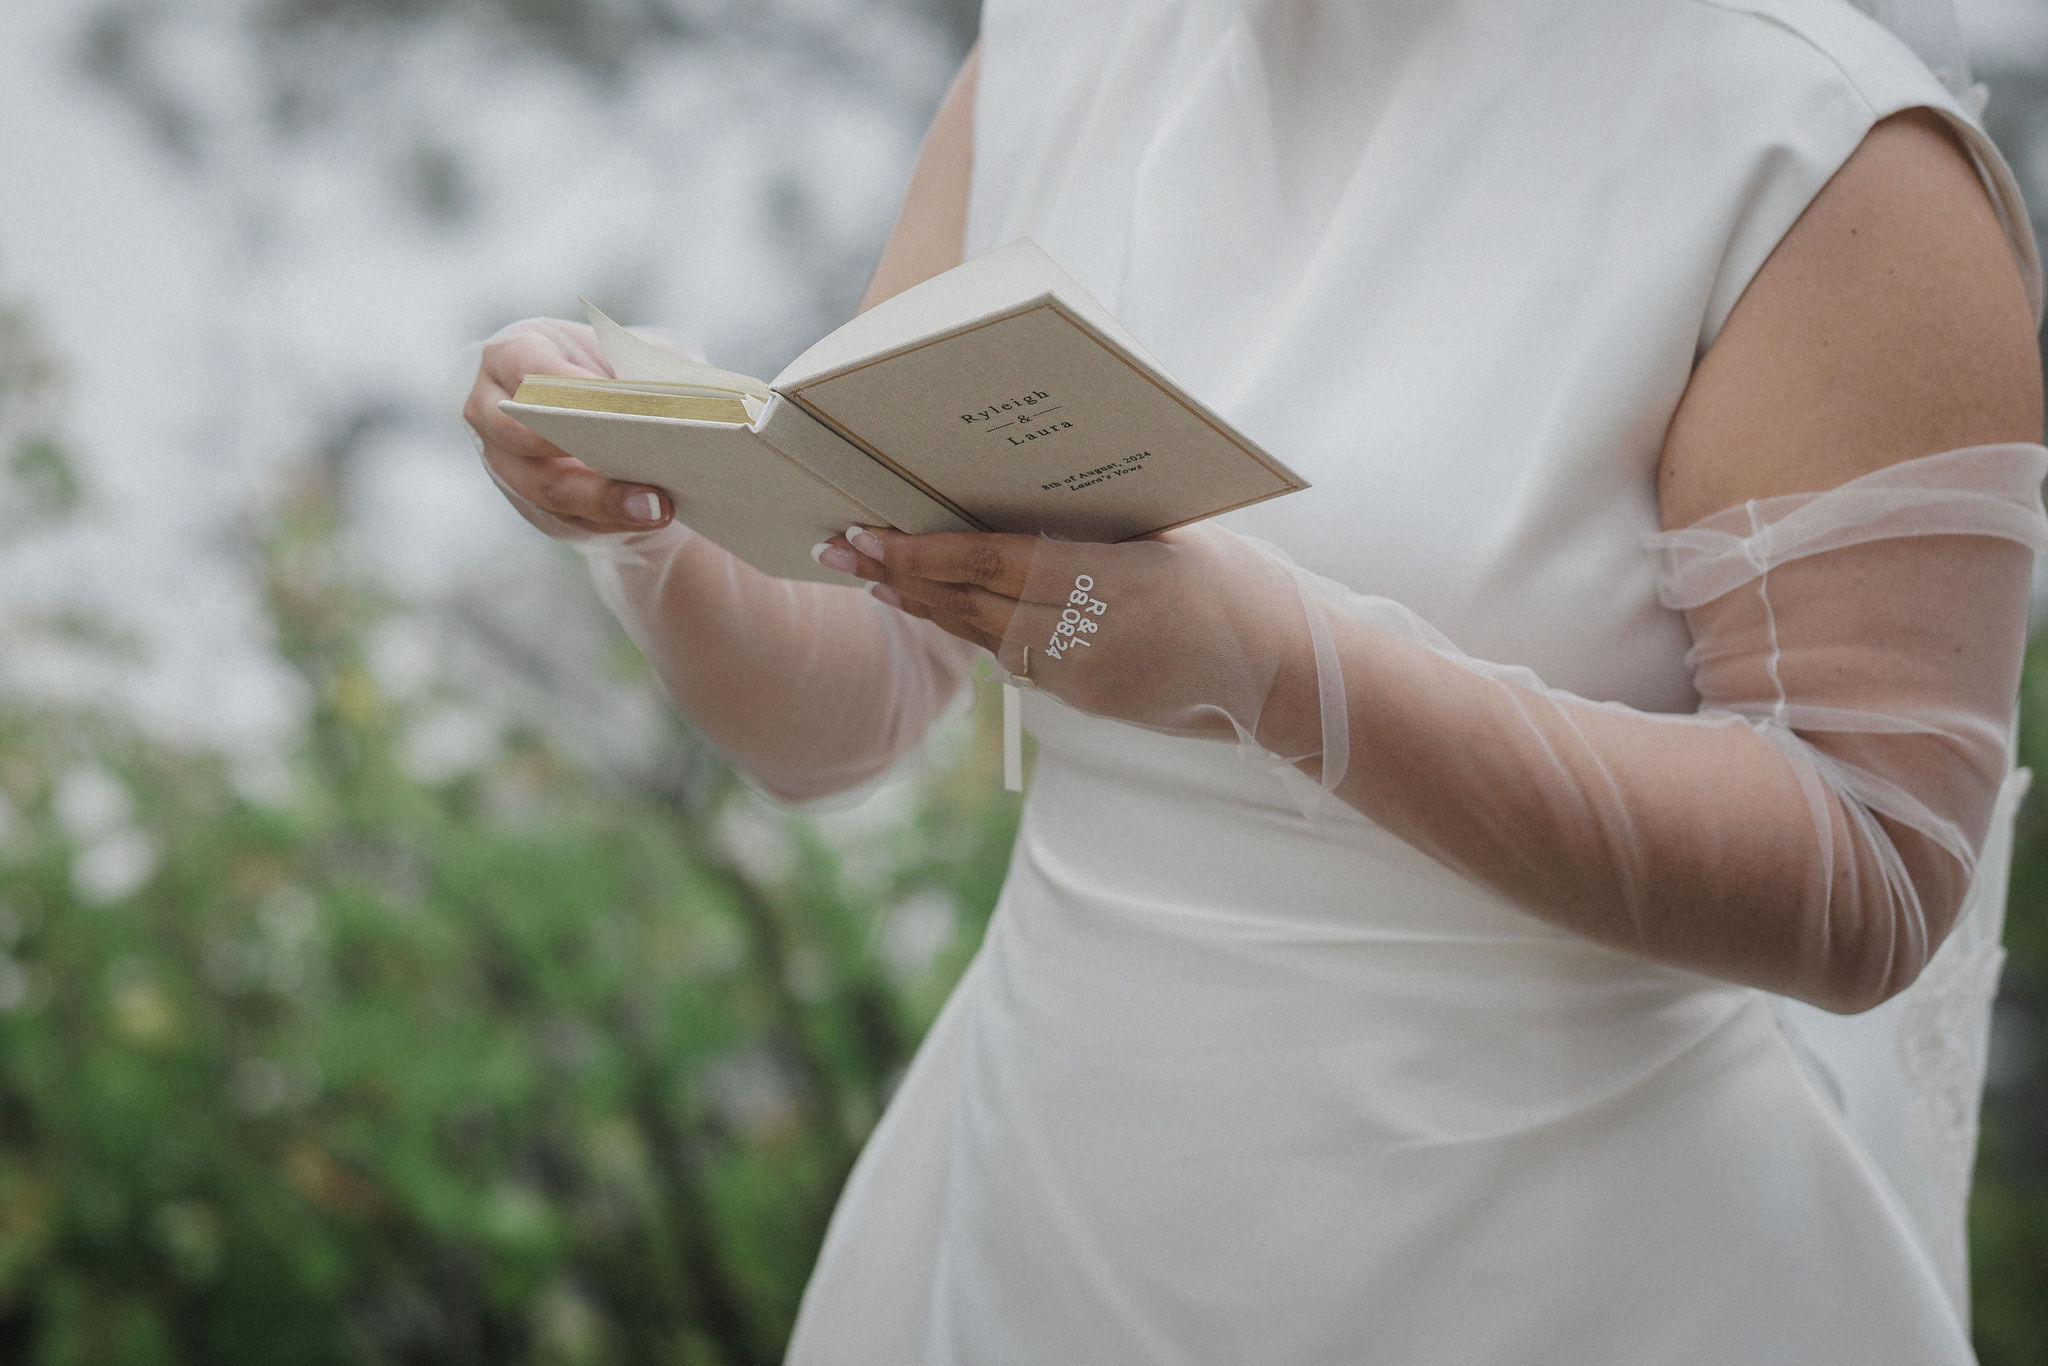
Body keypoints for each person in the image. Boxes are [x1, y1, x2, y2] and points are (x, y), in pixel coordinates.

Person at [464, 1, 2048, 1360]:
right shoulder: (1065, 41)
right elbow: (857, 701)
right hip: (1055, 1213)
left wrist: (1275, 670)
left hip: (1564, 1257)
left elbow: (1868, 862)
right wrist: (652, 504)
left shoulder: (1823, 150)